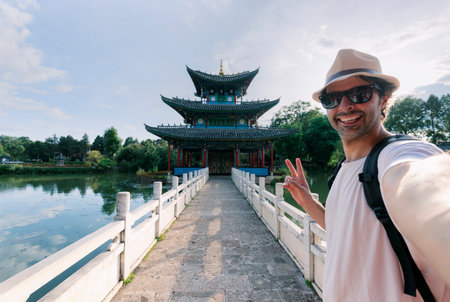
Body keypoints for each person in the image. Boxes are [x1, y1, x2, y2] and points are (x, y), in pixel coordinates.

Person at [283, 49, 450, 301]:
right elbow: (347, 230)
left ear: (383, 98)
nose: (345, 106)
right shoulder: (343, 170)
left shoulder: (398, 156)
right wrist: (308, 202)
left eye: (359, 94)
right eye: (333, 98)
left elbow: (417, 182)